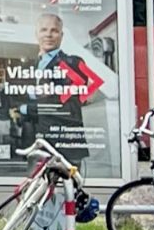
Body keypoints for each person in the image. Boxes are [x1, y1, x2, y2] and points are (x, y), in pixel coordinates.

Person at [9, 12, 92, 153]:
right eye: (44, 30)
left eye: (54, 30)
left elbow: (66, 105)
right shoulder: (29, 67)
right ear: (36, 34)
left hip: (64, 144)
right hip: (33, 144)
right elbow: (17, 97)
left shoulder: (74, 63)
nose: (48, 35)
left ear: (61, 35)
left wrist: (25, 109)